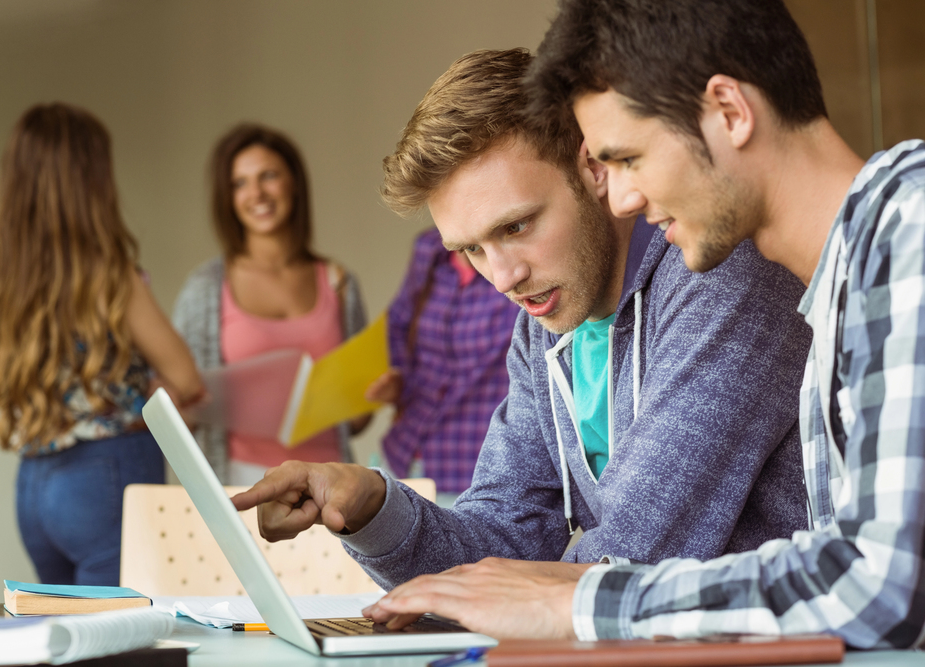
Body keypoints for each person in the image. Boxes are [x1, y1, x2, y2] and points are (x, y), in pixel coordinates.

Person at [370, 0, 925, 648]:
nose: (622, 197)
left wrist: (579, 600)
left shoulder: (906, 230)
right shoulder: (845, 281)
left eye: (628, 158)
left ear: (729, 112)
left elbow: (876, 588)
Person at [232, 48, 815, 635]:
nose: (503, 277)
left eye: (515, 226)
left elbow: (637, 551)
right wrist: (370, 506)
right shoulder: (542, 332)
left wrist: (512, 593)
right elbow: (500, 543)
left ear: (593, 169)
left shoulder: (721, 276)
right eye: (472, 250)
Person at [0, 102, 204, 585]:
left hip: (33, 487)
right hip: (106, 476)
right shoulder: (112, 277)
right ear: (89, 180)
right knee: (111, 644)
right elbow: (186, 379)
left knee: (63, 643)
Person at [173, 123, 368, 487]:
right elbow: (180, 414)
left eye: (269, 176)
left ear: (293, 182)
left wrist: (377, 394)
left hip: (333, 483)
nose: (256, 193)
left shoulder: (339, 282)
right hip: (238, 482)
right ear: (226, 197)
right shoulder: (203, 289)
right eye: (240, 183)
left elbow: (355, 421)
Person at [364, 227, 519, 504]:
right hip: (404, 455)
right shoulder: (430, 249)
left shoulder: (513, 265)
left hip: (471, 470)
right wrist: (399, 379)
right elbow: (399, 322)